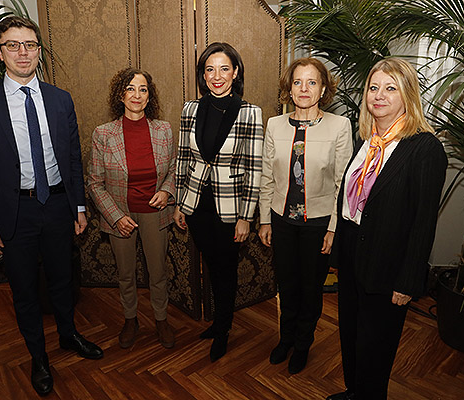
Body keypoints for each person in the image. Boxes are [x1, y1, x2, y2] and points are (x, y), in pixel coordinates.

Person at [0, 16, 103, 397]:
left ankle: (69, 335)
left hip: (57, 205)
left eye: (30, 45)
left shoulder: (60, 99)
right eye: (13, 45)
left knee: (62, 280)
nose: (23, 52)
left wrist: (78, 206)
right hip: (14, 213)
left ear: (39, 51)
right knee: (24, 290)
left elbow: (73, 158)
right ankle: (38, 357)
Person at [326, 58, 447, 400]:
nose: (379, 96)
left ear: (407, 95)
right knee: (349, 333)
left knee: (376, 345)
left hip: (388, 264)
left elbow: (424, 222)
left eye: (390, 88)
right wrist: (340, 252)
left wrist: (408, 280)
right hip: (353, 253)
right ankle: (354, 391)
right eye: (373, 88)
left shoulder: (424, 148)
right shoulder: (367, 139)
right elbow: (348, 203)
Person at [258, 58, 353, 374]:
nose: (304, 88)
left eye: (312, 82)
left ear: (323, 88)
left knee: (311, 288)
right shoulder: (274, 125)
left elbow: (343, 182)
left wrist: (333, 229)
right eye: (298, 82)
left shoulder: (339, 127)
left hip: (318, 223)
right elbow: (266, 176)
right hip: (282, 220)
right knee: (286, 284)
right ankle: (285, 339)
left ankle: (302, 344)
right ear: (289, 87)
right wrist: (265, 219)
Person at [173, 42, 263, 362]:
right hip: (197, 205)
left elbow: (254, 168)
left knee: (226, 270)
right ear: (203, 75)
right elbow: (183, 157)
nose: (217, 76)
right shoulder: (190, 109)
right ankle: (218, 321)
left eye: (224, 68)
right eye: (210, 69)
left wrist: (245, 217)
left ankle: (223, 327)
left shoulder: (250, 112)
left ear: (235, 72)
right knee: (211, 265)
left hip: (229, 208)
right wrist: (180, 204)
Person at [88, 68, 176, 350]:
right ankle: (130, 319)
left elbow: (174, 169)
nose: (136, 95)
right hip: (120, 216)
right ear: (120, 95)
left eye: (142, 89)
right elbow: (94, 183)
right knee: (125, 274)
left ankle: (161, 319)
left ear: (149, 96)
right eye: (130, 89)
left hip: (155, 214)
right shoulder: (103, 134)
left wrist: (166, 191)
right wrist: (115, 218)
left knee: (158, 272)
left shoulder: (164, 130)